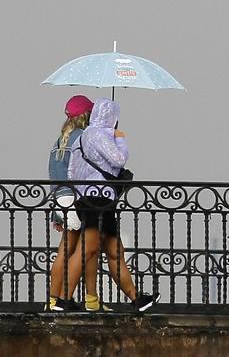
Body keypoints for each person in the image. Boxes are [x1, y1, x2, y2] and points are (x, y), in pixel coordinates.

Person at [67, 98, 158, 313]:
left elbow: (73, 171)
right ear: (112, 117)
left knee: (116, 252)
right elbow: (118, 159)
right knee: (86, 250)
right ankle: (62, 299)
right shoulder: (97, 135)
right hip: (96, 200)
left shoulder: (86, 136)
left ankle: (137, 299)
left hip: (95, 199)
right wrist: (121, 139)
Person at [45, 94, 93, 311]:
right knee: (78, 250)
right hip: (75, 198)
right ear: (85, 115)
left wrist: (56, 214)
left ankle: (53, 300)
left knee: (65, 250)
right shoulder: (82, 138)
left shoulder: (58, 142)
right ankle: (62, 299)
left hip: (59, 198)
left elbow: (53, 178)